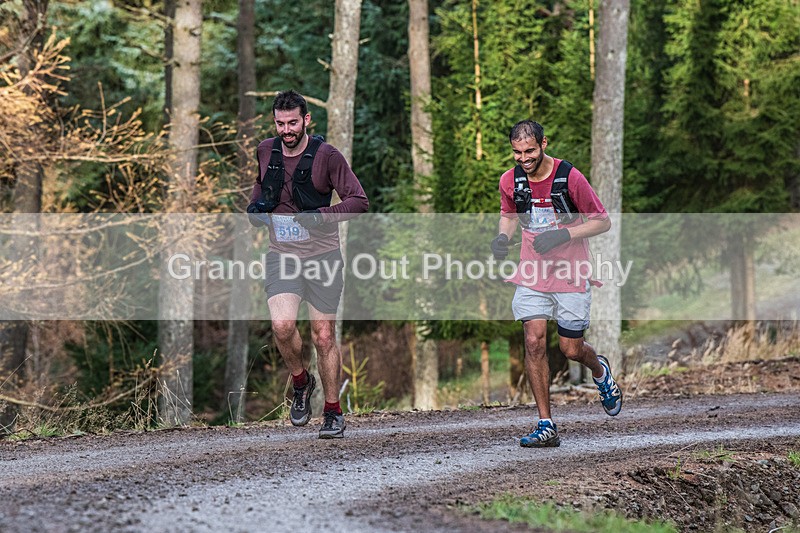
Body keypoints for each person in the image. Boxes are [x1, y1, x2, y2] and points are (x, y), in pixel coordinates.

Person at [491, 120, 622, 448]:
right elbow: (508, 213)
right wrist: (502, 238)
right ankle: (546, 423)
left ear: (544, 144)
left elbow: (601, 221)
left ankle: (600, 370)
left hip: (570, 271)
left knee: (570, 349)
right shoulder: (510, 180)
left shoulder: (569, 177)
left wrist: (562, 234)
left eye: (530, 151)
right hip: (532, 272)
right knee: (534, 342)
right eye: (517, 152)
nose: (524, 158)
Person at [247, 90, 369, 439]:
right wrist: (256, 210)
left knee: (324, 335)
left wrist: (321, 216)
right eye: (280, 124)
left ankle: (333, 411)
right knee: (283, 327)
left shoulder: (327, 156)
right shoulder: (265, 151)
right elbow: (260, 190)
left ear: (306, 121)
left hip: (322, 256)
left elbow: (359, 202)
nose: (286, 130)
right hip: (281, 254)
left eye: (292, 123)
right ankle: (301, 382)